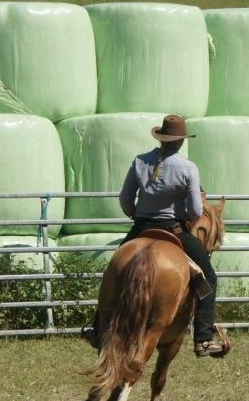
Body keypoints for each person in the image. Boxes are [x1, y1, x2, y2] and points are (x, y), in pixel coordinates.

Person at [83, 114, 222, 357]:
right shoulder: (188, 167)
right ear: (180, 141)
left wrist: (136, 213)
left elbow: (125, 200)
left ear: (161, 138)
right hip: (175, 230)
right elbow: (196, 211)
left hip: (141, 228)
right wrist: (188, 214)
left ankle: (97, 328)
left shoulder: (139, 161)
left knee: (113, 271)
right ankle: (203, 338)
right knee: (208, 277)